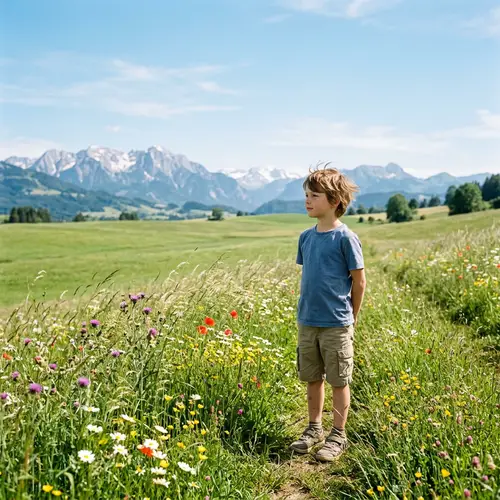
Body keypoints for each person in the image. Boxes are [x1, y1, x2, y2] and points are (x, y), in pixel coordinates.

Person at [290, 166, 366, 462]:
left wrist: (352, 316)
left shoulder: (346, 239)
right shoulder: (306, 238)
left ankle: (338, 435)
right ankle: (313, 429)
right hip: (308, 321)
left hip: (336, 323)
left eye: (314, 195)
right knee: (312, 377)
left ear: (334, 201)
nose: (307, 200)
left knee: (339, 380)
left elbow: (359, 281)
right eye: (306, 195)